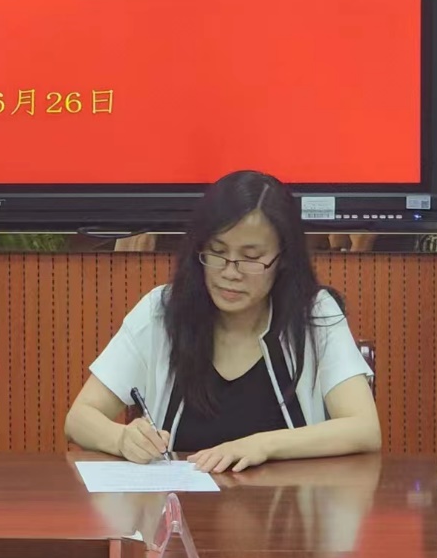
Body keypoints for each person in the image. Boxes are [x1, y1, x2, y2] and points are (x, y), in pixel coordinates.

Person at [65, 170, 380, 472]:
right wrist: (122, 439)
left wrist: (263, 445)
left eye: (251, 257)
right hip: (181, 505)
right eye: (217, 253)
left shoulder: (314, 314)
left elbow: (364, 428)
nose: (230, 272)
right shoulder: (161, 311)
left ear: (283, 259)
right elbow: (80, 417)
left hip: (290, 506)